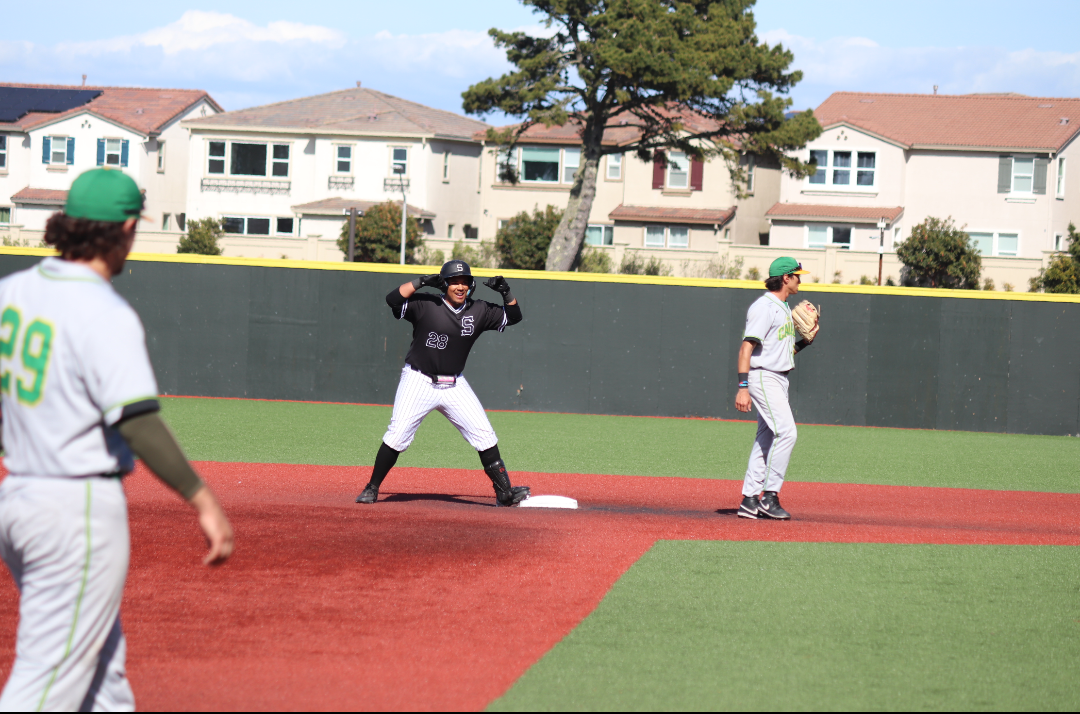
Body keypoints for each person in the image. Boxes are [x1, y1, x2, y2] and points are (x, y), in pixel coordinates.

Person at [0, 168, 234, 711]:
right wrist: (202, 499)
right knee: (47, 680)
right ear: (126, 228)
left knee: (103, 678)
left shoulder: (10, 294)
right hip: (74, 508)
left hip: (19, 498)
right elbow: (137, 420)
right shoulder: (104, 311)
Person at [356, 259, 530, 506]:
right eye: (454, 282)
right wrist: (421, 281)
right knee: (397, 436)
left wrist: (506, 292)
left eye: (465, 282)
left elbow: (514, 317)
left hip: (455, 385)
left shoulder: (479, 310)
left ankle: (504, 493)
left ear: (471, 285)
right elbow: (392, 300)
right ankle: (372, 487)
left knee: (485, 435)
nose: (460, 287)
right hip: (418, 380)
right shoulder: (427, 303)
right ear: (444, 284)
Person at [734, 257, 815, 520]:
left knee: (766, 439)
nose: (800, 280)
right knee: (788, 433)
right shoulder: (765, 307)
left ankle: (749, 500)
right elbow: (747, 347)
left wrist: (804, 343)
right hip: (763, 377)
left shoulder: (782, 307)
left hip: (778, 377)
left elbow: (782, 352)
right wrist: (742, 387)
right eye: (797, 276)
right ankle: (769, 496)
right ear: (785, 278)